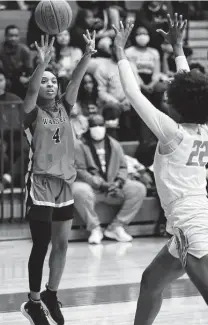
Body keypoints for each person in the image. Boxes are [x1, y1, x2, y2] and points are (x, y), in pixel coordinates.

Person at [113, 13, 208, 324]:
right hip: (187, 222)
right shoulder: (201, 128)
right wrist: (178, 49)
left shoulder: (173, 132)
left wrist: (119, 53)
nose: (166, 97)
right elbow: (193, 88)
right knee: (151, 282)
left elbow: (133, 94)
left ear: (177, 104)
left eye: (170, 95)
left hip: (191, 224)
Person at [20, 31, 96, 325]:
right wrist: (42, 64)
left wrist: (87, 55)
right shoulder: (30, 112)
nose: (50, 84)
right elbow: (29, 91)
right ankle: (33, 302)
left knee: (62, 245)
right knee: (41, 245)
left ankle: (51, 294)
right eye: (45, 81)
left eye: (54, 80)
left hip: (64, 184)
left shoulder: (65, 107)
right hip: (39, 182)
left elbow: (74, 82)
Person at [72, 114, 146, 244]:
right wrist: (101, 184)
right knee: (78, 190)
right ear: (89, 128)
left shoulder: (114, 144)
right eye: (94, 125)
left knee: (138, 189)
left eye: (101, 125)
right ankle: (95, 228)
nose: (98, 128)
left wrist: (118, 182)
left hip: (113, 186)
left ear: (105, 127)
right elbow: (80, 170)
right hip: (92, 188)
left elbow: (123, 167)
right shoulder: (79, 144)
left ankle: (116, 227)